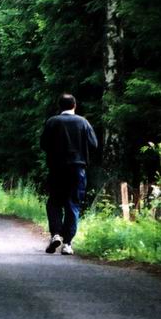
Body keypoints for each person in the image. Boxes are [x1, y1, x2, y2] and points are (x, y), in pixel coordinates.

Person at [40, 93, 97, 255]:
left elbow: (43, 144)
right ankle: (67, 244)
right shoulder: (83, 122)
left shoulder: (52, 122)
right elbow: (93, 144)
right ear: (75, 105)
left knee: (54, 202)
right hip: (77, 169)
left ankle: (56, 234)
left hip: (56, 169)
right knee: (73, 204)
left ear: (59, 106)